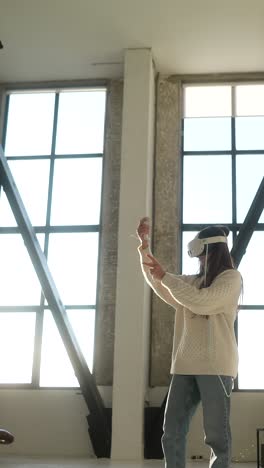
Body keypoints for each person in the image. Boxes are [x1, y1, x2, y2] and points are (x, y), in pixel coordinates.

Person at [137, 217, 242, 468]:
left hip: (216, 367)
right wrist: (144, 246)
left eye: (201, 255)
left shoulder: (231, 279)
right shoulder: (190, 283)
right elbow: (158, 282)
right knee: (171, 431)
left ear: (212, 251)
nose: (198, 260)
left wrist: (167, 278)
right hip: (185, 366)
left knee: (216, 435)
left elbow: (203, 301)